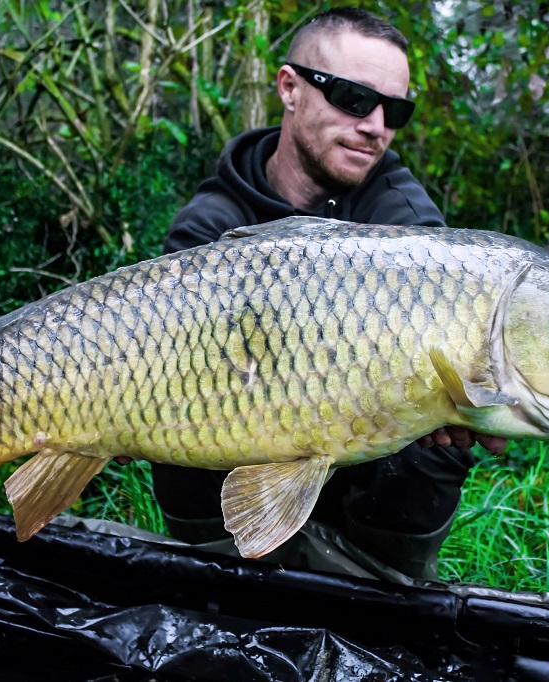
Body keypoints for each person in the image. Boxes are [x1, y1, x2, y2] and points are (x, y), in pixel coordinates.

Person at [151, 7, 504, 581]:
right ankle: (220, 575)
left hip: (361, 497)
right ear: (289, 88)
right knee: (178, 407)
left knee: (434, 439)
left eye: (397, 110)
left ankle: (378, 587)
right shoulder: (210, 224)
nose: (377, 125)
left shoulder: (404, 219)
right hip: (235, 454)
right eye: (354, 98)